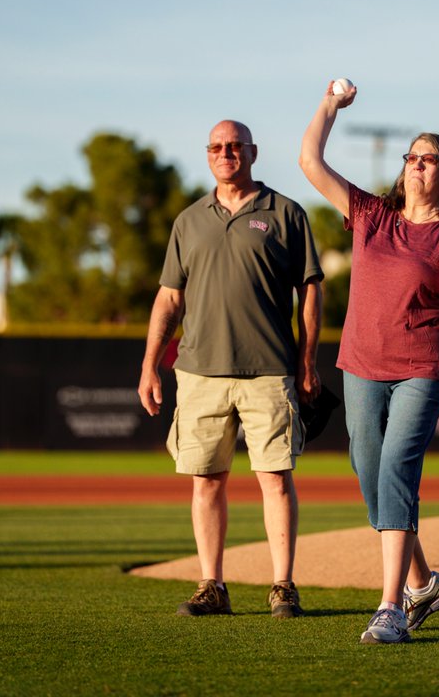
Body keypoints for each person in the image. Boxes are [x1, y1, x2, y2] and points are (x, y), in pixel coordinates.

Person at [299, 80, 439, 644]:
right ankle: (424, 582)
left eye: (429, 160)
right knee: (368, 468)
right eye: (412, 157)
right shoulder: (372, 215)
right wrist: (330, 105)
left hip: (423, 365)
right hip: (360, 362)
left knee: (399, 465)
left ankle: (390, 607)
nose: (417, 166)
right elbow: (310, 161)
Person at [138, 119, 323, 620]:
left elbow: (310, 291)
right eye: (218, 147)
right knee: (207, 480)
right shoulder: (190, 220)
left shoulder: (285, 213)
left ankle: (283, 585)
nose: (227, 153)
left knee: (276, 479)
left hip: (269, 369)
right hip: (199, 371)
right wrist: (150, 365)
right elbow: (169, 298)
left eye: (235, 146)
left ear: (253, 152)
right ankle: (211, 586)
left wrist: (307, 362)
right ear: (208, 155)